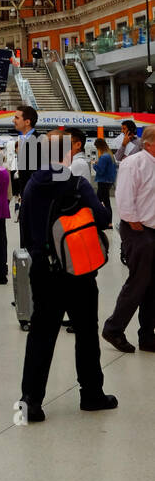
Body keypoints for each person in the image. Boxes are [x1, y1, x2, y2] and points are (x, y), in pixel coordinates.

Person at [19, 127, 115, 421]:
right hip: (78, 268)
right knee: (86, 330)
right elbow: (102, 218)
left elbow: (24, 230)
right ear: (68, 153)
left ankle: (31, 401)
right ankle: (91, 394)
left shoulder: (32, 184)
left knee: (40, 333)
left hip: (43, 268)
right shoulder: (77, 184)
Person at [102, 123, 155, 355]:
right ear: (150, 144)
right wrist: (134, 222)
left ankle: (147, 335)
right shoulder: (134, 163)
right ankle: (114, 328)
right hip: (139, 231)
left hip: (151, 229)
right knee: (138, 282)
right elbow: (124, 196)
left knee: (152, 286)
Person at [13, 105, 47, 206]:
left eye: (17, 118)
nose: (13, 120)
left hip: (34, 197)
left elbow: (37, 172)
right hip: (27, 195)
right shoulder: (23, 140)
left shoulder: (37, 141)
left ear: (27, 122)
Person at [92, 138, 117, 224]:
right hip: (109, 181)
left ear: (99, 146)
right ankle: (109, 222)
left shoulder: (103, 157)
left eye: (96, 147)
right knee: (106, 202)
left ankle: (96, 221)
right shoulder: (110, 155)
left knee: (97, 202)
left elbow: (100, 171)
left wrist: (94, 165)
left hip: (103, 181)